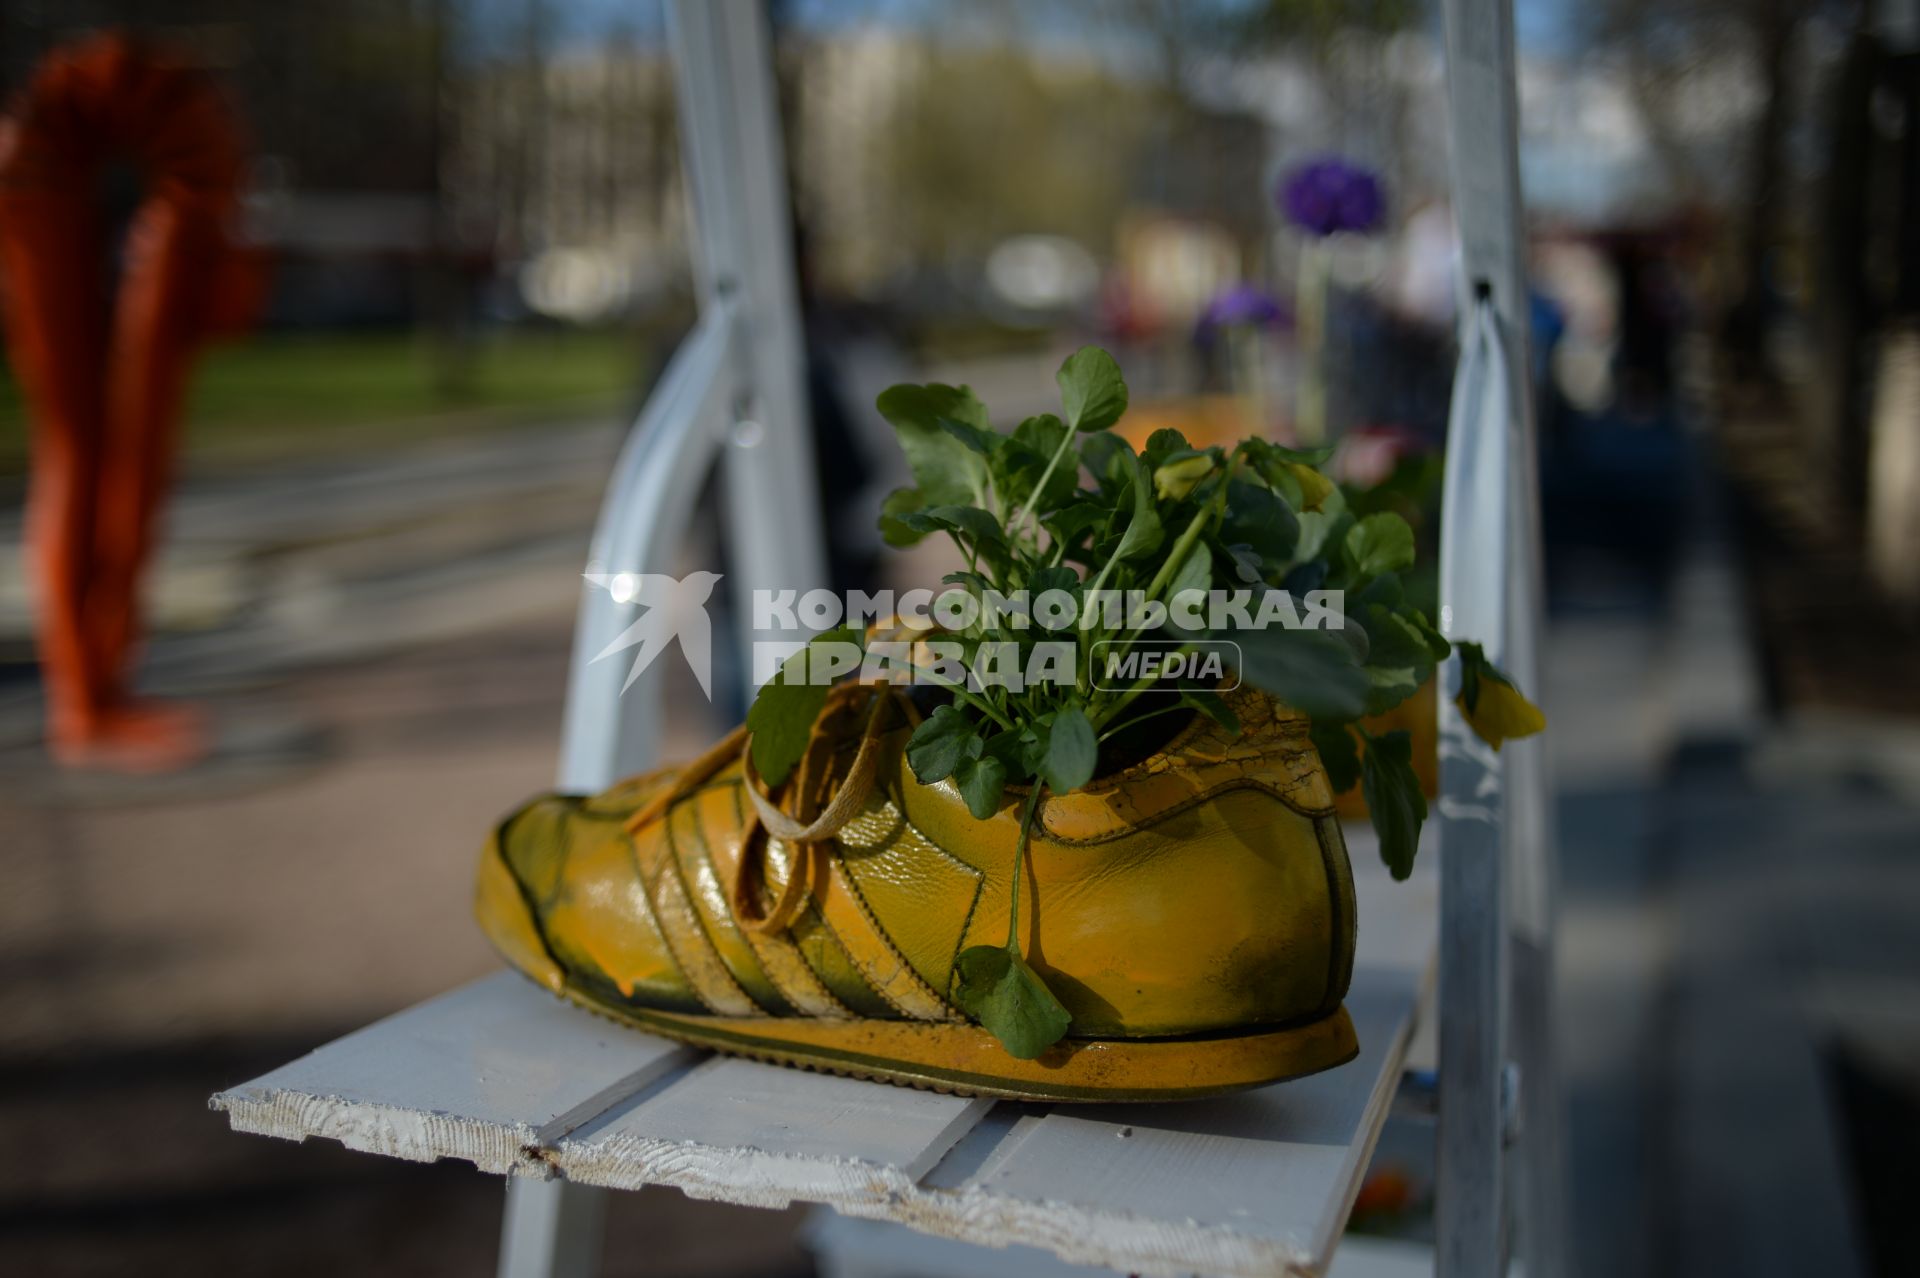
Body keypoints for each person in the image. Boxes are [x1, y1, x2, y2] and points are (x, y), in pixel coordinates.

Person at [0, 33, 262, 772]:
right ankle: (84, 698)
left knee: (102, 455)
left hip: (77, 166)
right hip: (53, 171)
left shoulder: (166, 138)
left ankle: (98, 687)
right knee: (81, 453)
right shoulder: (63, 144)